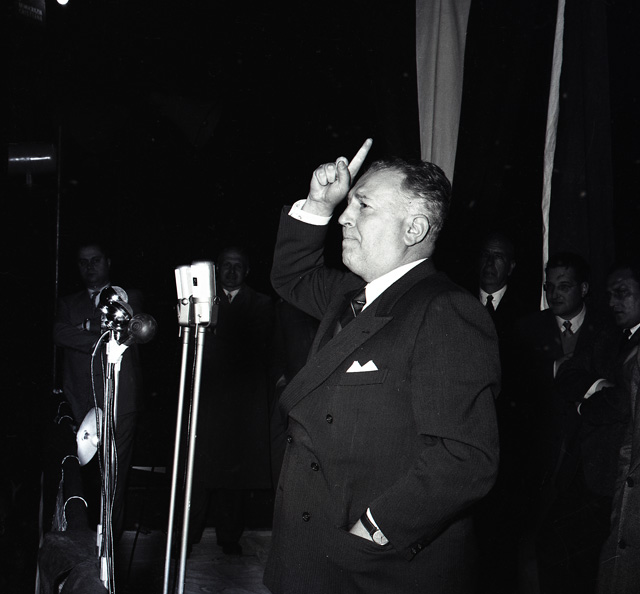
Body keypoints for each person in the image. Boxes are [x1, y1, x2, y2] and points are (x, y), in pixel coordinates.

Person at [264, 139, 500, 594]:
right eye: (348, 204)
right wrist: (318, 203)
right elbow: (291, 276)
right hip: (306, 557)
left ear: (414, 229)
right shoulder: (348, 295)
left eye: (363, 205)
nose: (344, 217)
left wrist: (373, 531)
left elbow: (466, 458)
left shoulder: (445, 310)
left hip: (372, 569)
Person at [551, 260, 640, 592]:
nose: (613, 302)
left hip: (621, 479)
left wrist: (583, 404)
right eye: (609, 294)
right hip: (589, 472)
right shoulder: (607, 333)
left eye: (622, 293)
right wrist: (598, 386)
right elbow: (569, 372)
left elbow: (623, 403)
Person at [53, 241, 143, 540]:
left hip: (119, 403)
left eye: (96, 260)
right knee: (81, 477)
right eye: (83, 262)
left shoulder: (128, 296)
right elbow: (59, 333)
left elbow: (129, 329)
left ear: (108, 262)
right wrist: (99, 333)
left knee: (114, 480)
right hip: (80, 402)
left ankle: (111, 545)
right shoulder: (67, 303)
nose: (90, 267)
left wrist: (81, 328)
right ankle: (84, 542)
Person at [189, 246, 274, 556]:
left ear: (247, 271)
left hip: (241, 404)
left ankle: (229, 537)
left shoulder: (262, 303)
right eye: (226, 265)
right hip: (207, 400)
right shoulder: (201, 300)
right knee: (198, 472)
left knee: (234, 475)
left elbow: (253, 345)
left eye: (238, 266)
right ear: (217, 269)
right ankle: (188, 536)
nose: (232, 271)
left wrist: (216, 333)